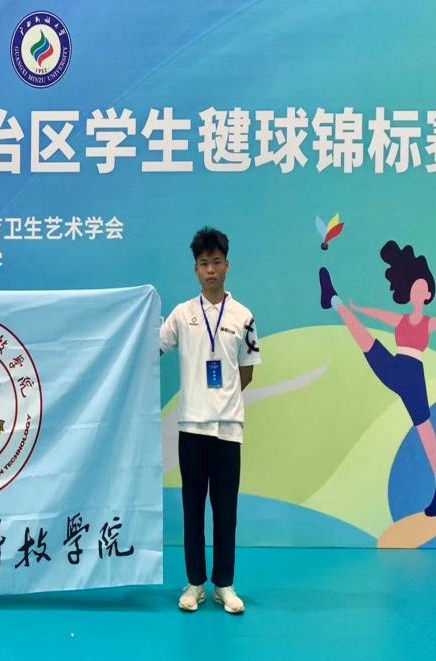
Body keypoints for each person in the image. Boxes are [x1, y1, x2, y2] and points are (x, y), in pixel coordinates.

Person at [319, 241, 436, 516]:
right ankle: (333, 300)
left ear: (428, 294)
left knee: (424, 428)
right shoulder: (402, 320)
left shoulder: (428, 323)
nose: (417, 292)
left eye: (421, 289)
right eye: (414, 289)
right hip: (395, 367)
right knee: (364, 338)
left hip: (412, 377)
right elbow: (379, 315)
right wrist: (358, 308)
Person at [159, 227, 261, 615]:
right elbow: (153, 346)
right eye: (204, 264)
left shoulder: (243, 317)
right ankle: (195, 584)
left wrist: (224, 398)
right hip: (191, 427)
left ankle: (224, 585)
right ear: (196, 270)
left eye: (217, 262)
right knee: (192, 510)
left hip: (228, 429)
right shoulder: (182, 315)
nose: (211, 270)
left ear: (227, 266)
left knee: (225, 511)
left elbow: (247, 371)